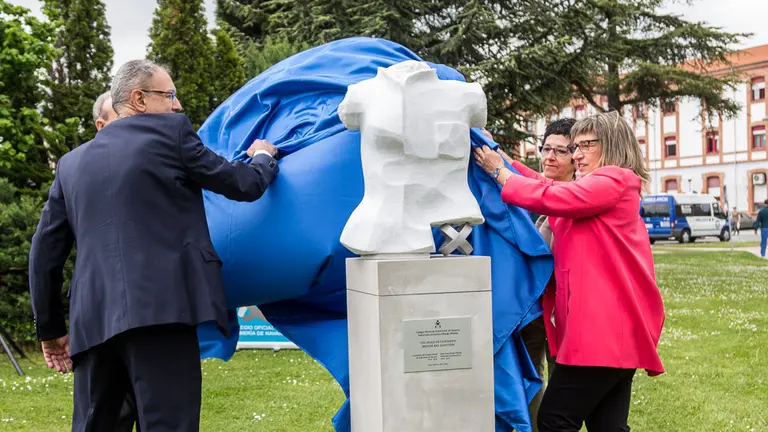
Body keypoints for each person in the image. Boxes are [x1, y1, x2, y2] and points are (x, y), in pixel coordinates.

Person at [28, 59, 280, 432]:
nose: (177, 105)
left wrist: (50, 329)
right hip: (162, 313)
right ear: (139, 99)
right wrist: (263, 157)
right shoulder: (171, 134)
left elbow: (44, 253)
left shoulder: (70, 164)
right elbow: (241, 184)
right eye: (170, 95)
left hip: (93, 322)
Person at [474, 111, 665, 432]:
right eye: (574, 146)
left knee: (555, 419)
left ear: (612, 144)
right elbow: (545, 183)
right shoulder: (603, 186)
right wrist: (504, 161)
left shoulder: (614, 179)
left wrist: (499, 174)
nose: (575, 154)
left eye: (585, 145)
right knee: (608, 426)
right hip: (614, 334)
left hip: (601, 333)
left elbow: (551, 195)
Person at [513, 118, 577, 431]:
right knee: (528, 379)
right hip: (533, 310)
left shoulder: (577, 196)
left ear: (575, 158)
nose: (549, 156)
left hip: (564, 312)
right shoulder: (541, 197)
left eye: (560, 152)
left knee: (562, 385)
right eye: (546, 149)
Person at [89, 90, 141, 432]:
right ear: (100, 125)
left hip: (154, 316)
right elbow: (47, 246)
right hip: (102, 319)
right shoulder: (76, 170)